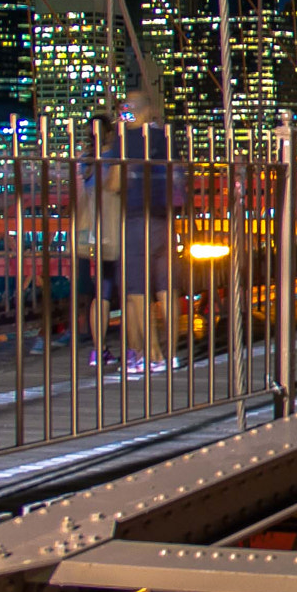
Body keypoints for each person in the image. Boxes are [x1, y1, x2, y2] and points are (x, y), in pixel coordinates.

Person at [84, 89, 188, 376]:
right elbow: (177, 177)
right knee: (167, 288)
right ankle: (172, 354)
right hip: (164, 219)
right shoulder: (165, 138)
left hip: (134, 219)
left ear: (139, 110)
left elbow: (115, 183)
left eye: (126, 109)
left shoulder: (126, 139)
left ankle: (152, 355)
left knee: (136, 292)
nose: (122, 114)